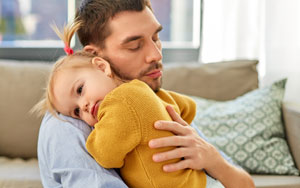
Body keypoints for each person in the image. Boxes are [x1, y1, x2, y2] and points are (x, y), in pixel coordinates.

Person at [37, 0, 255, 187]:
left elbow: (246, 184)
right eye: (134, 46)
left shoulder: (155, 105)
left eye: (156, 38)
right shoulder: (68, 124)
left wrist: (213, 161)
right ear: (98, 58)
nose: (156, 54)